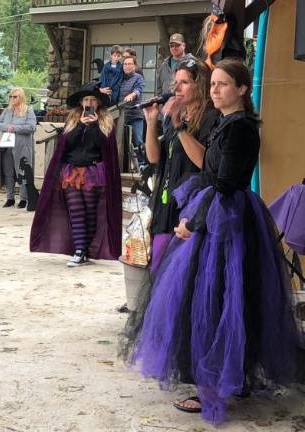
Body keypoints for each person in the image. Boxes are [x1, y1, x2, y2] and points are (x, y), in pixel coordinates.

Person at [121, 59, 303, 424]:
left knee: (219, 302)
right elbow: (208, 171)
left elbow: (226, 183)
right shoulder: (226, 122)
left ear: (241, 89)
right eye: (214, 83)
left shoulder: (241, 128)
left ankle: (214, 388)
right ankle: (230, 378)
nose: (216, 89)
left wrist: (194, 224)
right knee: (227, 301)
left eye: (223, 84)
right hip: (223, 212)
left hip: (227, 221)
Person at [30, 82, 122, 266]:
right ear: (81, 102)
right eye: (86, 99)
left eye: (93, 100)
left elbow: (103, 147)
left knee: (90, 212)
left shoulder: (105, 122)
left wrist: (94, 126)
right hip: (71, 172)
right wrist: (80, 126)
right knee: (76, 211)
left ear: (98, 103)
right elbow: (67, 144)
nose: (89, 103)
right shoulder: (72, 121)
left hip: (94, 173)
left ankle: (84, 249)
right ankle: (79, 250)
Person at [143, 55, 218, 271]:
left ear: (200, 85)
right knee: (158, 267)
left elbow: (204, 161)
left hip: (191, 205)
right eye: (175, 82)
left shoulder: (210, 118)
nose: (177, 88)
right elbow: (155, 158)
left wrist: (178, 126)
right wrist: (150, 122)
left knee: (181, 272)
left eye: (184, 82)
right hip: (166, 201)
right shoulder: (177, 114)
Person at [0, 87, 37, 209]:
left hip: (22, 146)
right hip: (7, 145)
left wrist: (14, 128)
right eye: (11, 96)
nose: (12, 99)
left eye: (15, 96)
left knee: (23, 171)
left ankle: (23, 198)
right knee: (8, 171)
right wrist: (6, 127)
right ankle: (10, 198)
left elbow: (31, 127)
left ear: (21, 97)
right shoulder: (7, 111)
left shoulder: (28, 111)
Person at [118, 56, 146, 167]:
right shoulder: (120, 78)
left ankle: (142, 165)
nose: (127, 66)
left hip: (135, 115)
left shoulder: (138, 77)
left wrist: (132, 94)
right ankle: (123, 166)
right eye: (125, 64)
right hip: (121, 116)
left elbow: (139, 89)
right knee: (121, 142)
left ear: (134, 66)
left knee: (137, 141)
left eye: (130, 64)